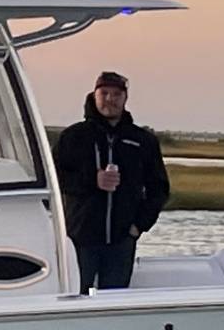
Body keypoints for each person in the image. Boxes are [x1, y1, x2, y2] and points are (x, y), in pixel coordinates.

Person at [53, 71, 171, 290]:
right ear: (94, 95)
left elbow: (159, 188)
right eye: (104, 93)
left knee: (114, 300)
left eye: (116, 94)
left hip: (122, 240)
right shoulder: (73, 137)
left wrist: (139, 226)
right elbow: (55, 179)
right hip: (81, 238)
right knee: (75, 296)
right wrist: (92, 180)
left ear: (125, 98)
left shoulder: (142, 140)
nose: (110, 99)